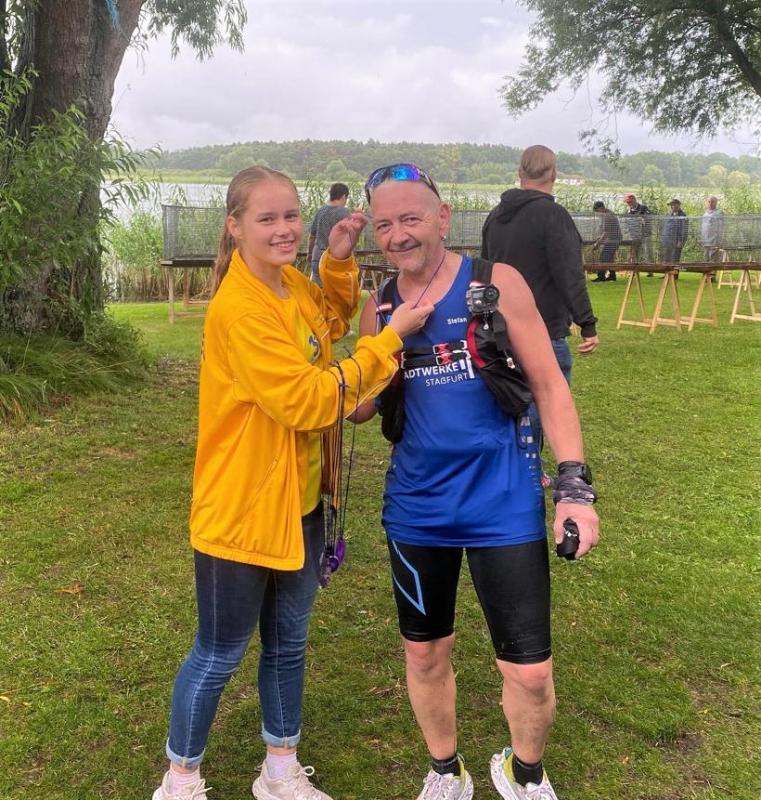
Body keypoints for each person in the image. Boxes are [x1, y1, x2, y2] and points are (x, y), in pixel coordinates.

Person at [152, 166, 433, 800]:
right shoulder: (240, 309)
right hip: (242, 511)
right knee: (219, 652)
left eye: (291, 216)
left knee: (288, 643)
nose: (283, 229)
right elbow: (306, 400)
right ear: (235, 226)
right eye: (267, 218)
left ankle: (280, 771)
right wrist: (388, 341)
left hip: (302, 503)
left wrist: (338, 261)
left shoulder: (288, 285)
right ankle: (180, 778)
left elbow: (329, 319)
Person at [352, 163, 600, 800]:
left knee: (531, 671)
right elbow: (360, 405)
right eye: (384, 224)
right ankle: (445, 770)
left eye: (411, 218)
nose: (398, 235)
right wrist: (335, 367)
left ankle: (525, 773)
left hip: (503, 503)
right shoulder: (380, 306)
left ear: (443, 217)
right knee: (424, 653)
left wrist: (574, 489)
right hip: (417, 509)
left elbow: (549, 385)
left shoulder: (496, 282)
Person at [481, 145, 599, 380]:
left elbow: (484, 273)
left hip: (501, 332)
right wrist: (587, 324)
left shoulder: (494, 217)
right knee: (550, 401)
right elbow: (569, 275)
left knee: (511, 400)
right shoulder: (553, 215)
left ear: (520, 173)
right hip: (544, 331)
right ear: (553, 174)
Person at [307, 182, 351, 286]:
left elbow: (312, 236)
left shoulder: (320, 211)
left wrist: (309, 254)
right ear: (343, 196)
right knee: (335, 290)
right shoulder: (344, 213)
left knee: (317, 290)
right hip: (334, 260)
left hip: (317, 256)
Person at [591, 200, 622, 281]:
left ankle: (601, 277)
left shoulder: (607, 216)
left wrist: (597, 244)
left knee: (603, 257)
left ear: (601, 208)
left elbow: (606, 232)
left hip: (613, 239)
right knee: (610, 258)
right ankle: (612, 276)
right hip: (615, 238)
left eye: (597, 211)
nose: (597, 214)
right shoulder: (609, 213)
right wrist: (599, 238)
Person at [623, 193, 654, 273]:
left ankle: (651, 270)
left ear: (634, 200)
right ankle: (635, 270)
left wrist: (642, 219)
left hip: (645, 234)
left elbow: (649, 218)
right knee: (635, 252)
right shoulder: (628, 211)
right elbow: (625, 223)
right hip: (634, 236)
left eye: (630, 202)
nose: (628, 204)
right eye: (627, 202)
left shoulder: (643, 208)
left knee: (648, 252)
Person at [661, 198, 689, 276]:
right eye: (671, 205)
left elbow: (684, 230)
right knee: (667, 258)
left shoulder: (683, 216)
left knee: (675, 258)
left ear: (678, 205)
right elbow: (665, 228)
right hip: (667, 241)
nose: (672, 206)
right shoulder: (668, 215)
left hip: (677, 241)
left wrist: (681, 241)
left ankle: (674, 275)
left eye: (674, 205)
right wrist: (664, 239)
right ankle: (666, 274)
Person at [701, 195, 725, 263]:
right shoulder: (705, 214)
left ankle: (713, 270)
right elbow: (703, 228)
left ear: (716, 203)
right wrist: (702, 239)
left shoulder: (719, 213)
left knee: (713, 260)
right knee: (706, 259)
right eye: (709, 202)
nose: (710, 203)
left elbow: (721, 227)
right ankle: (706, 270)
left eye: (712, 202)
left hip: (714, 241)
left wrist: (720, 240)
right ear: (706, 202)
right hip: (705, 241)